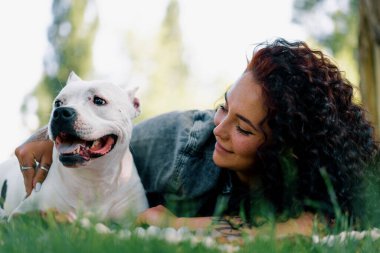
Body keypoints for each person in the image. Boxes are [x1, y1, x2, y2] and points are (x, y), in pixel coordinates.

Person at [15, 38, 378, 236]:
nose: (219, 128)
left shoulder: (318, 182)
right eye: (225, 107)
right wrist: (47, 135)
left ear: (288, 150)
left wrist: (178, 224)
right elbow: (108, 129)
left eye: (243, 128)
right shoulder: (181, 142)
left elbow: (324, 222)